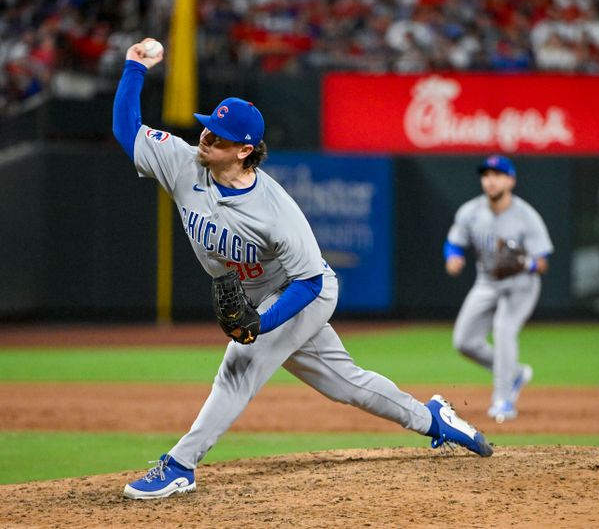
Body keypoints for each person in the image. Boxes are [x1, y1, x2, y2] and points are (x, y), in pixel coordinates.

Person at [113, 38, 493, 500]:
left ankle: (180, 466)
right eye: (207, 128)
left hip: (301, 292)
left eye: (218, 135)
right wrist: (134, 68)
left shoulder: (275, 210)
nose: (206, 137)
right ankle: (434, 418)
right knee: (345, 384)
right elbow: (127, 130)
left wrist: (261, 323)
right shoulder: (182, 162)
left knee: (239, 367)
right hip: (260, 296)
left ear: (244, 150)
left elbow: (310, 282)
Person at [444, 155, 553, 423]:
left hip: (521, 285)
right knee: (464, 342)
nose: (490, 180)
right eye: (486, 175)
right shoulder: (470, 212)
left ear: (511, 180)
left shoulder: (527, 216)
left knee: (504, 329)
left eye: (497, 175)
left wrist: (524, 263)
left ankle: (503, 400)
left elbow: (543, 262)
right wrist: (453, 257)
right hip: (487, 282)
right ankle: (513, 373)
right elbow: (454, 242)